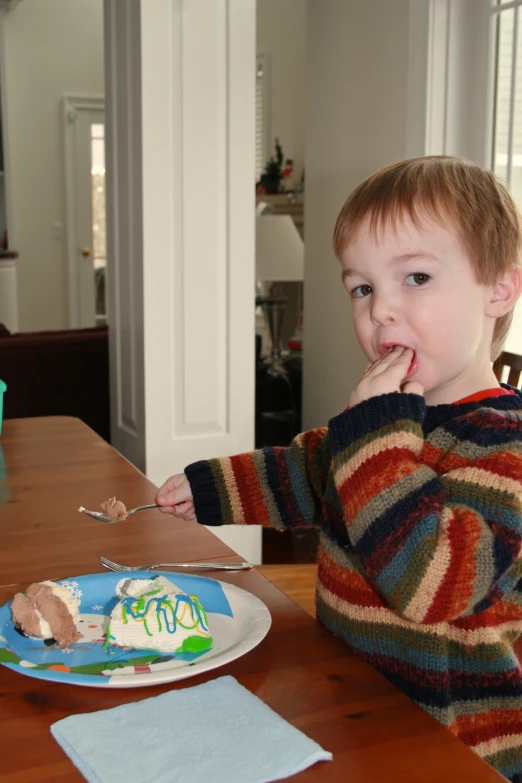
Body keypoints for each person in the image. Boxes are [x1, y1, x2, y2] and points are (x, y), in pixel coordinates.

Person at [156, 156, 522, 782]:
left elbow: (432, 584)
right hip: (355, 701)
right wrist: (210, 487)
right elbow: (304, 473)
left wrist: (374, 435)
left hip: (454, 744)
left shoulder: (504, 447)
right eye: (363, 288)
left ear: (498, 288)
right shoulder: (381, 426)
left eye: (415, 277)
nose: (380, 310)